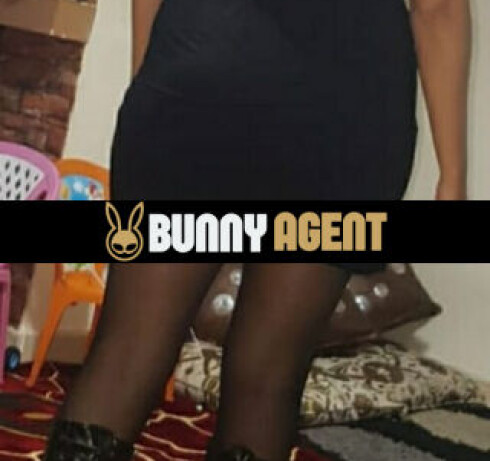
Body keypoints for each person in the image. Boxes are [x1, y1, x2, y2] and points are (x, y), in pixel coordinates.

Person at [43, 0, 470, 460]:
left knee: (129, 347)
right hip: (343, 112)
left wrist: (151, 81)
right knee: (269, 374)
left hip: (200, 75)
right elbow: (439, 8)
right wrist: (452, 179)